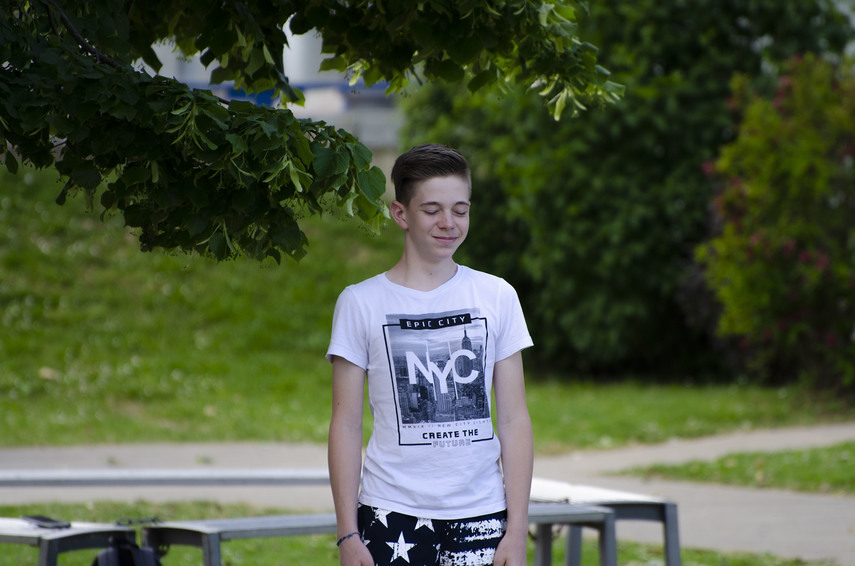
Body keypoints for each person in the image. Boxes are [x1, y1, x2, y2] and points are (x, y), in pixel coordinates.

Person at [326, 143, 534, 566]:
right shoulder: (360, 302)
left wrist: (517, 530)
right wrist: (347, 532)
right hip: (390, 515)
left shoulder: (497, 295)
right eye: (432, 210)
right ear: (400, 213)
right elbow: (345, 425)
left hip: (482, 515)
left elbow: (514, 420)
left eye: (460, 210)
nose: (448, 223)